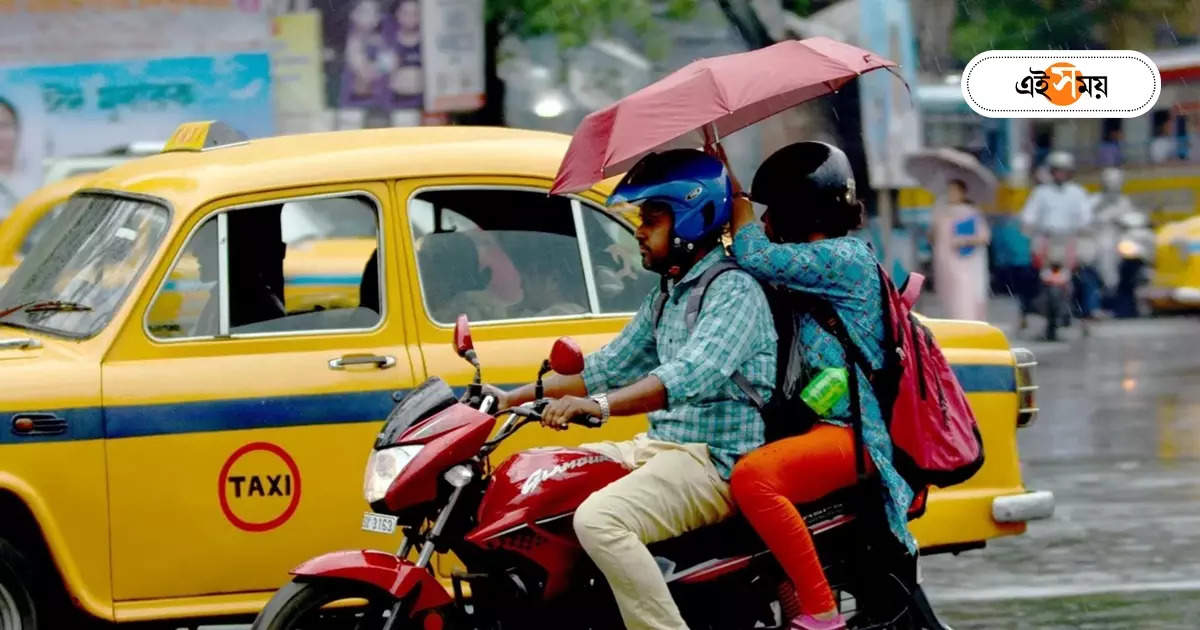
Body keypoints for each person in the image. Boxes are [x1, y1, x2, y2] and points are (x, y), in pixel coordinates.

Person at [487, 149, 776, 630]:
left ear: (690, 218)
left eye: (652, 217)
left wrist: (596, 406)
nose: (639, 230)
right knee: (544, 484)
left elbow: (688, 375)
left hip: (715, 460)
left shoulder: (734, 290)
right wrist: (512, 398)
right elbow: (608, 365)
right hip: (662, 449)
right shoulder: (671, 292)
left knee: (600, 520)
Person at [724, 142, 916, 630]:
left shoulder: (841, 259)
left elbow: (753, 255)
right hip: (821, 423)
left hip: (855, 434)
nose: (765, 220)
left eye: (773, 211)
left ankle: (820, 610)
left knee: (754, 479)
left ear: (797, 211)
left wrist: (738, 200)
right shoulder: (815, 262)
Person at [1021, 151, 1094, 338]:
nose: (1060, 174)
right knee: (1027, 276)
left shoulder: (1078, 193)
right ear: (1052, 172)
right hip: (1046, 241)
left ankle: (1085, 316)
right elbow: (1029, 215)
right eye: (1057, 171)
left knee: (1084, 277)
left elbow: (1086, 216)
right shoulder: (1040, 193)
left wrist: (1084, 227)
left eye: (1064, 171)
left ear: (1070, 172)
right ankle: (1024, 315)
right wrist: (1028, 225)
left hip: (1070, 241)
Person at [929, 179, 991, 321]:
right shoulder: (941, 211)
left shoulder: (971, 212)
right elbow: (933, 237)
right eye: (950, 190)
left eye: (955, 190)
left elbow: (984, 237)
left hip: (965, 263)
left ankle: (968, 325)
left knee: (964, 295)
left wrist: (964, 240)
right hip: (945, 263)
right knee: (949, 296)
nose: (952, 194)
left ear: (963, 193)